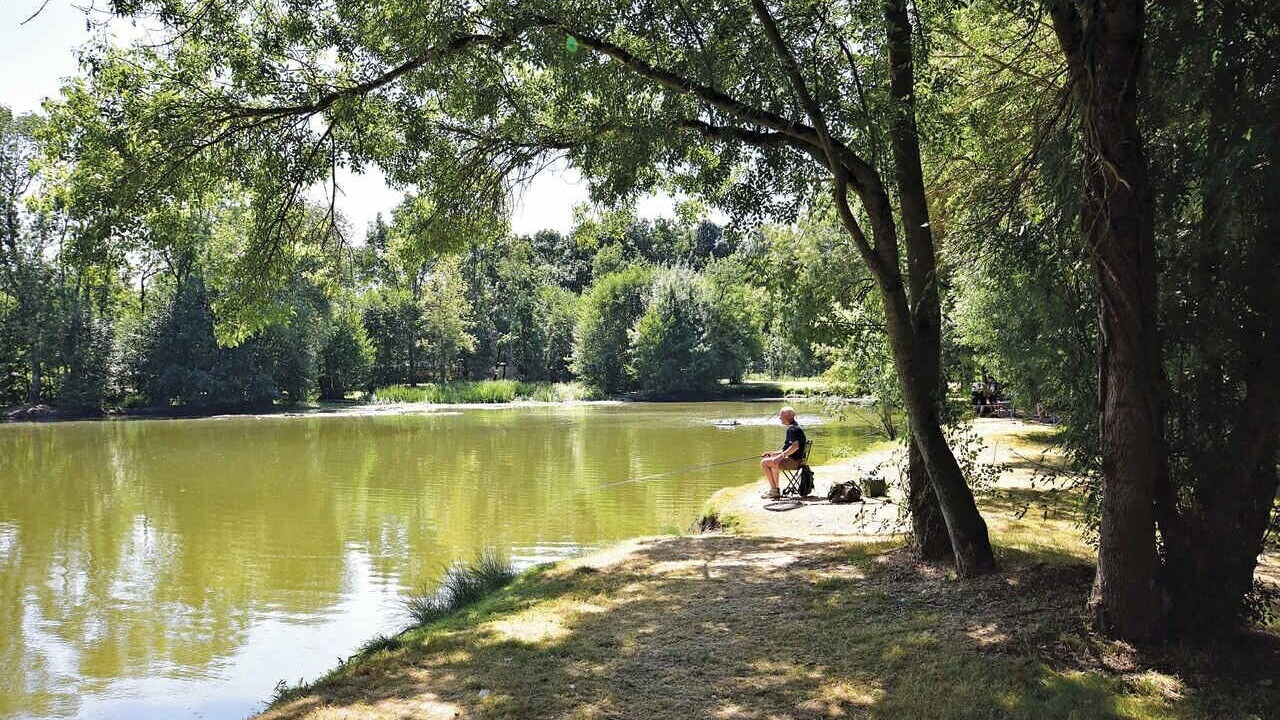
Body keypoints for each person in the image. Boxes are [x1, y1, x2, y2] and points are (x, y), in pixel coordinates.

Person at [760, 406, 807, 500]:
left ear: (787, 416)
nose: (780, 418)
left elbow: (795, 447)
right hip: (797, 460)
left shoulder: (792, 429)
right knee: (771, 460)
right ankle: (775, 490)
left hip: (794, 462)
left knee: (764, 463)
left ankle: (774, 491)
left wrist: (780, 457)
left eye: (781, 415)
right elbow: (787, 449)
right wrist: (773, 453)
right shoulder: (794, 428)